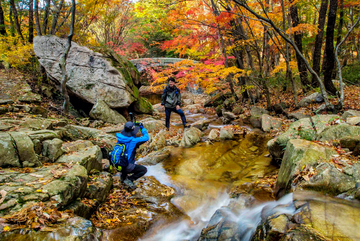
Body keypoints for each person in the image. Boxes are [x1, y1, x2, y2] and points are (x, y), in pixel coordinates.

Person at [116, 121, 149, 189]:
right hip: (126, 166)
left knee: (126, 158)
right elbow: (146, 137)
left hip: (117, 164)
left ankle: (123, 176)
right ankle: (129, 179)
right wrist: (142, 128)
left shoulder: (120, 138)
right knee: (143, 170)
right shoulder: (133, 141)